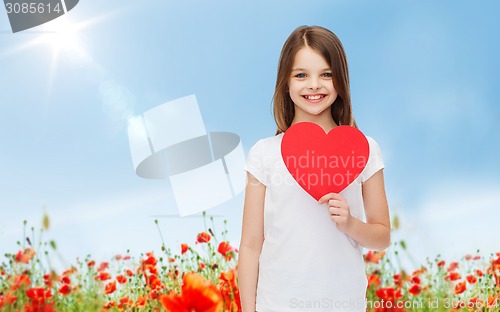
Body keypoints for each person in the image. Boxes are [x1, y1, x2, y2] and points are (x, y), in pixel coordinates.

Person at [238, 25, 391, 312]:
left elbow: (382, 236)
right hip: (278, 304)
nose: (314, 85)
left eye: (326, 74)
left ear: (340, 81)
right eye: (301, 75)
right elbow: (249, 245)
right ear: (285, 82)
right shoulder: (264, 154)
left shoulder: (365, 149)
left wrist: (350, 223)